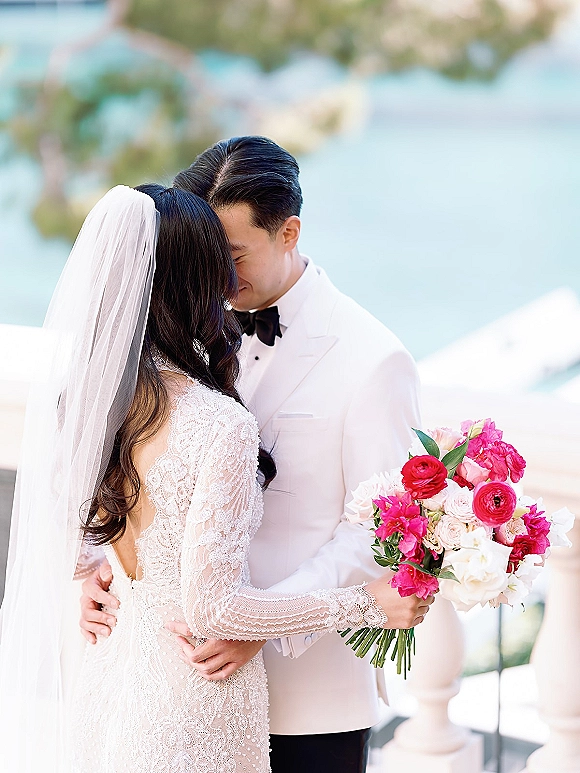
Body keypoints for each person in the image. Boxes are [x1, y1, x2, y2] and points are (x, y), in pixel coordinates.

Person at [0, 182, 431, 773]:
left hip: (289, 693)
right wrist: (371, 605)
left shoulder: (374, 358)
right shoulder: (202, 405)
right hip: (178, 688)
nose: (228, 282)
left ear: (288, 233)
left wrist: (259, 620)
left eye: (235, 256)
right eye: (216, 261)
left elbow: (376, 523)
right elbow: (191, 578)